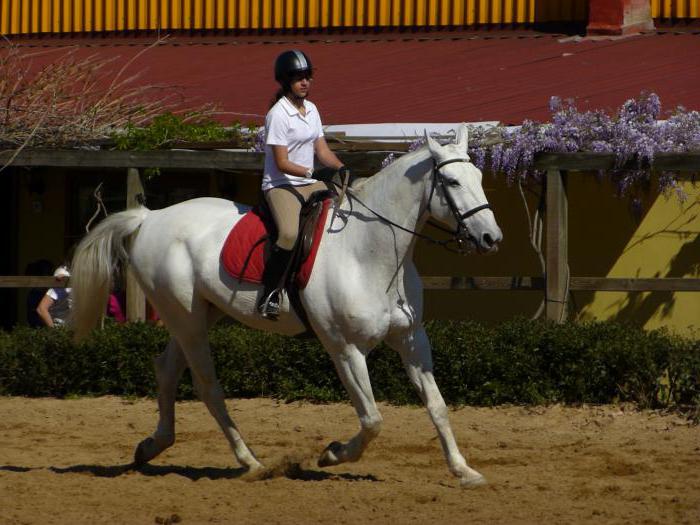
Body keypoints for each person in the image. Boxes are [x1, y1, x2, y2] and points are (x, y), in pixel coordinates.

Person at [259, 49, 348, 320]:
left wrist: (340, 167)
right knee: (288, 234)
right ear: (285, 81)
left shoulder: (312, 110)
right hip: (281, 185)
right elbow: (282, 162)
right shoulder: (278, 114)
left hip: (308, 181)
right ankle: (270, 294)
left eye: (307, 76)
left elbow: (322, 150)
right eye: (298, 78)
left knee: (343, 212)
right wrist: (312, 171)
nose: (305, 82)